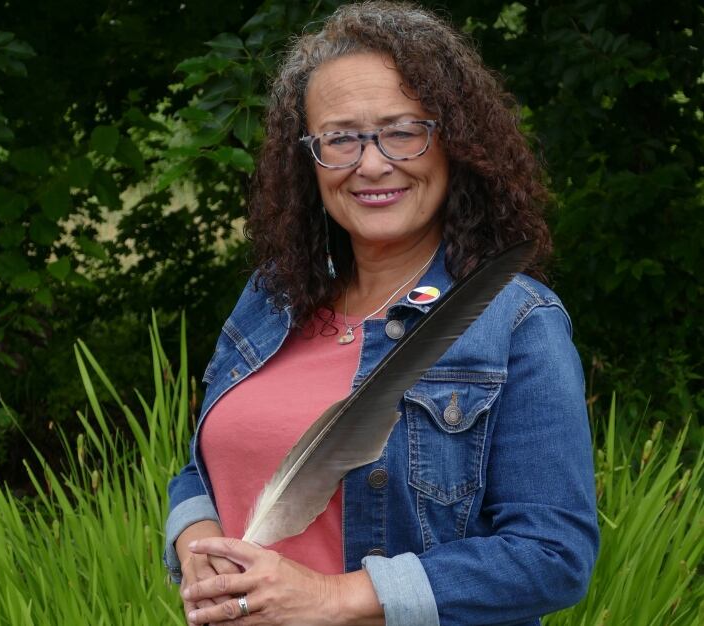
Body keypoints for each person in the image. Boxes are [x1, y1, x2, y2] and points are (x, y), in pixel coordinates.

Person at [164, 2, 599, 624]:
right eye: (340, 138)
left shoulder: (515, 321)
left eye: (402, 131)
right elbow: (205, 464)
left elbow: (553, 558)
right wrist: (194, 535)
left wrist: (332, 598)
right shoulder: (274, 298)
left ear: (454, 142)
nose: (370, 164)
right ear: (306, 158)